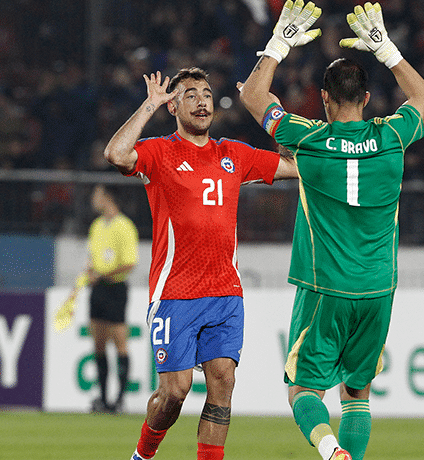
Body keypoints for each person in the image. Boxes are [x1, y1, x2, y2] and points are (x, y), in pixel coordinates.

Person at [239, 2, 424, 460]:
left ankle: (331, 452)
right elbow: (423, 98)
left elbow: (251, 96)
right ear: (367, 99)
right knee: (357, 392)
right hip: (378, 288)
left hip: (325, 287)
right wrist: (387, 52)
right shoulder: (393, 137)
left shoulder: (307, 140)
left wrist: (278, 43)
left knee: (302, 389)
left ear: (324, 99)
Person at [103, 66, 297, 460]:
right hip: (175, 293)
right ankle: (142, 455)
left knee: (223, 382)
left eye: (206, 93)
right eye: (190, 94)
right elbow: (116, 154)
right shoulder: (160, 151)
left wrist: (272, 114)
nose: (201, 100)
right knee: (174, 391)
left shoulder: (233, 154)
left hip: (225, 291)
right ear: (173, 105)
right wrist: (148, 105)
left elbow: (293, 167)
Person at [84, 184, 139, 413]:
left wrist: (102, 274)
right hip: (98, 290)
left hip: (115, 288)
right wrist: (89, 272)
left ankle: (119, 399)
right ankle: (104, 398)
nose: (93, 199)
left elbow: (129, 263)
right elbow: (92, 257)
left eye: (96, 195)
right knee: (98, 342)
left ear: (107, 198)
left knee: (119, 342)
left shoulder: (124, 226)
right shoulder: (96, 226)